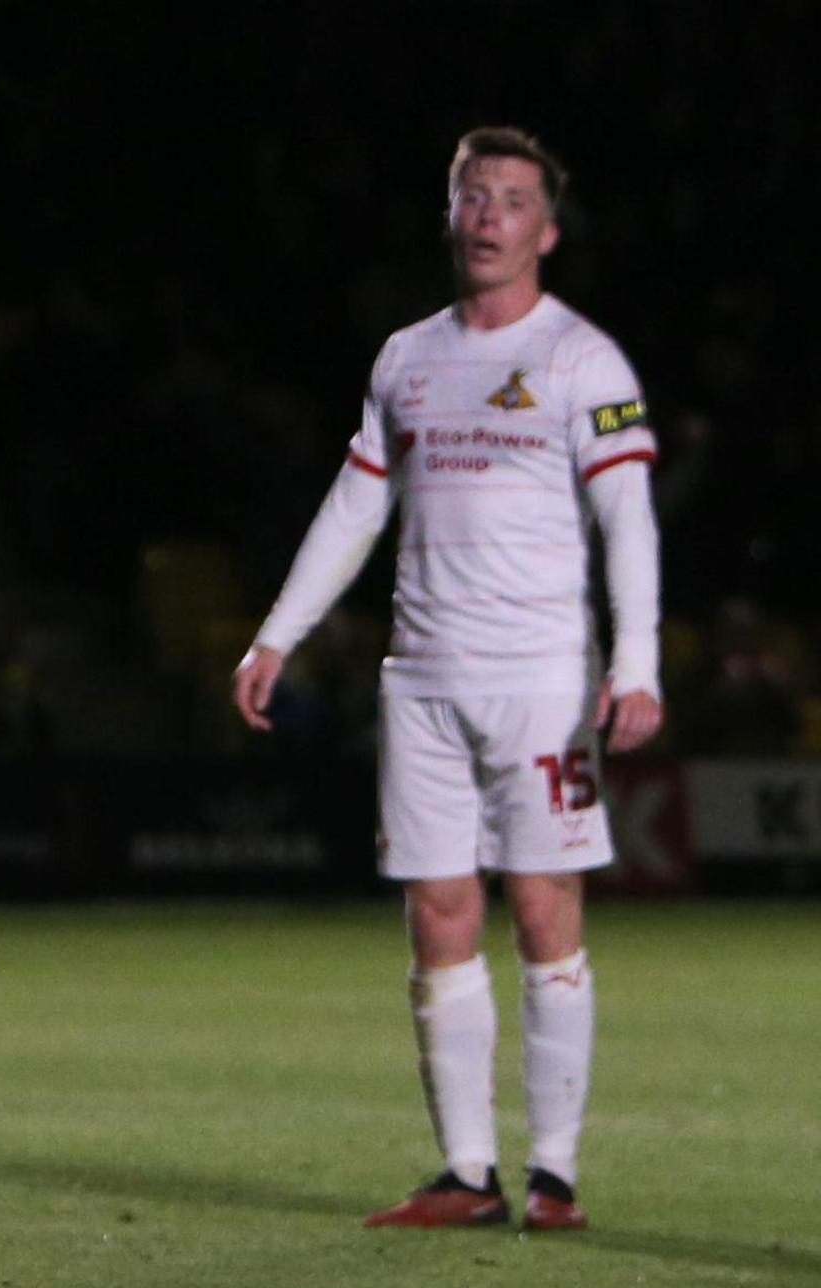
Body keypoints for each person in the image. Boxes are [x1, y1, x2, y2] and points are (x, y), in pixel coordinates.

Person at [232, 127, 663, 1232]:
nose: (488, 216)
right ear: (450, 214)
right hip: (418, 678)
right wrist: (276, 635)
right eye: (472, 196)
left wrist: (636, 662)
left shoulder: (581, 361)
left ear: (546, 232)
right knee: (437, 915)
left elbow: (626, 519)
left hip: (538, 682)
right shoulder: (405, 358)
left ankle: (554, 1175)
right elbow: (356, 507)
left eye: (511, 200)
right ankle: (467, 1173)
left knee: (541, 904)